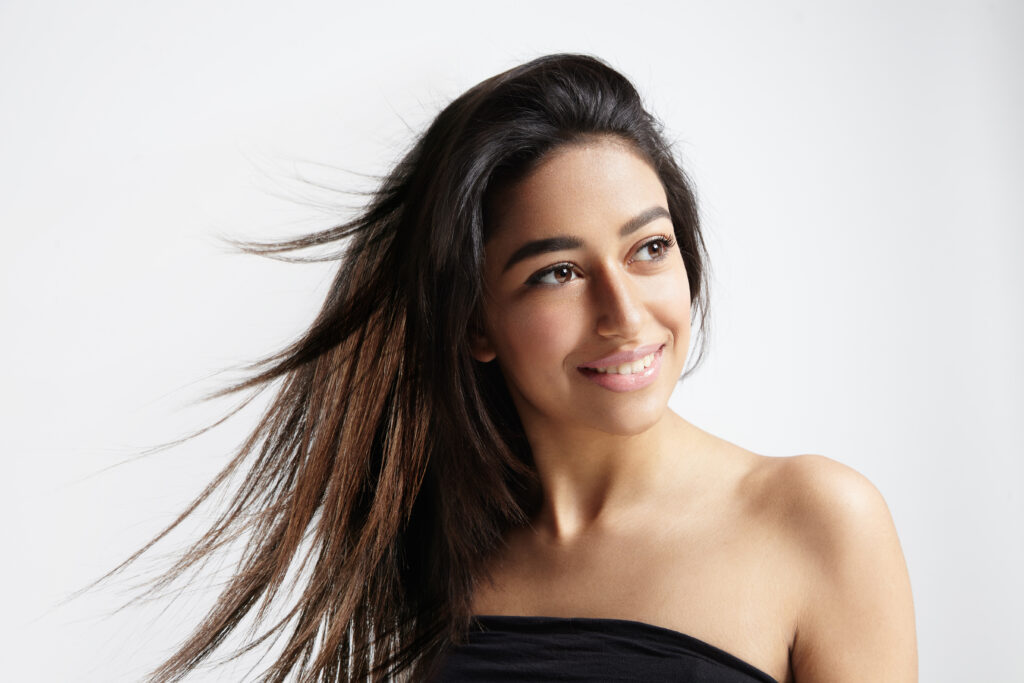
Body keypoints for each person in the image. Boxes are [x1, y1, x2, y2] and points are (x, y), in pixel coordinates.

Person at [103, 53, 917, 682]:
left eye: (649, 248)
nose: (625, 312)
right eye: (556, 271)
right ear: (475, 323)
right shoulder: (438, 551)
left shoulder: (816, 519)